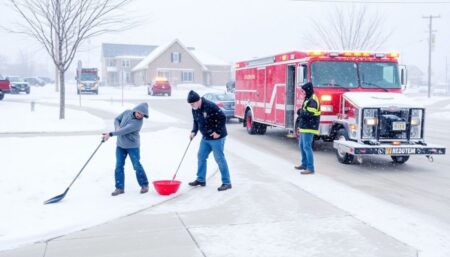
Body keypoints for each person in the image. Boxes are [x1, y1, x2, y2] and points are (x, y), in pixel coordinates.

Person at [187, 90, 232, 191]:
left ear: (198, 100)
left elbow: (223, 118)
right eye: (190, 104)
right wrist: (194, 131)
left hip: (217, 138)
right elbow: (196, 121)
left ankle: (227, 182)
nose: (192, 106)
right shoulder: (195, 109)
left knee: (219, 159)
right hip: (206, 137)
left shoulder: (210, 106)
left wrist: (217, 132)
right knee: (201, 156)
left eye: (192, 103)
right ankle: (201, 179)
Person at [102, 103, 150, 196]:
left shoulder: (137, 123)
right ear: (136, 110)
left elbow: (123, 131)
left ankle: (144, 184)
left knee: (136, 165)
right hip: (120, 145)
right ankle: (119, 188)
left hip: (133, 147)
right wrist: (117, 126)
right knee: (119, 166)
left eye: (142, 115)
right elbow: (117, 119)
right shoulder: (127, 112)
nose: (140, 116)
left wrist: (110, 134)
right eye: (139, 113)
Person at [295, 82, 321, 175]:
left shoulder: (313, 100)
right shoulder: (308, 98)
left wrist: (300, 112)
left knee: (307, 147)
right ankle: (304, 164)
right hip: (304, 126)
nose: (303, 93)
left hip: (310, 127)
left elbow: (308, 114)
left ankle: (310, 168)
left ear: (308, 90)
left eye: (304, 91)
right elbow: (305, 112)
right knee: (302, 146)